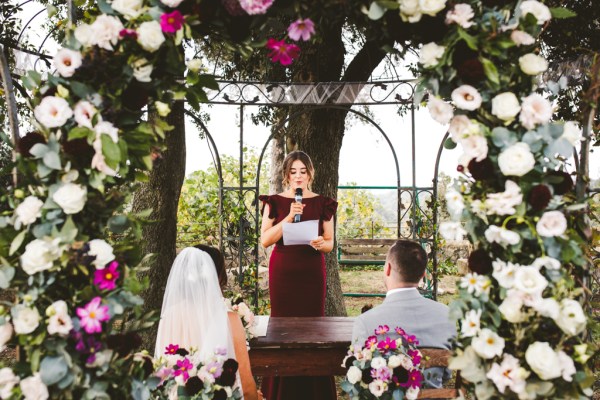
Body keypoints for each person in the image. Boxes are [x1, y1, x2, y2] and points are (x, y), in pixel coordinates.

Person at [258, 150, 338, 400]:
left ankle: (315, 391)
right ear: (286, 175)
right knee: (282, 327)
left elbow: (330, 243)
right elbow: (265, 241)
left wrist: (319, 243)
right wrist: (290, 218)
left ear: (310, 173)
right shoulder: (274, 201)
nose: (298, 176)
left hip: (311, 272)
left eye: (303, 171)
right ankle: (280, 392)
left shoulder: (323, 202)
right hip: (283, 272)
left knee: (314, 327)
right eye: (293, 172)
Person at [154, 246, 262, 400]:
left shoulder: (169, 315)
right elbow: (245, 381)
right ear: (217, 276)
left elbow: (163, 371)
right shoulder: (229, 319)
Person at [351, 239, 456, 389]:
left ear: (387, 268)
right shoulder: (447, 315)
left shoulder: (365, 322)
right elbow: (446, 375)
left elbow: (361, 379)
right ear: (423, 275)